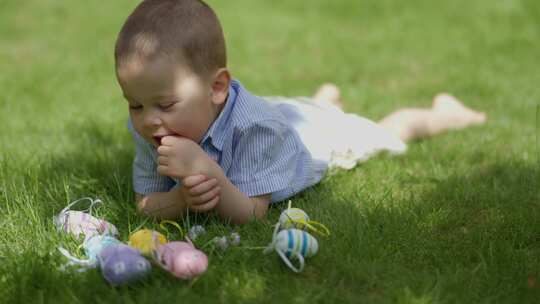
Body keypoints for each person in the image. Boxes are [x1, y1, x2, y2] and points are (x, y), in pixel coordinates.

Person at [114, 0, 486, 224]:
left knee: (387, 130)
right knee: (308, 111)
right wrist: (180, 200)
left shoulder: (256, 128)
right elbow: (145, 204)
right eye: (135, 104)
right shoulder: (155, 126)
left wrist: (207, 175)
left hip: (310, 141)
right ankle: (324, 100)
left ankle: (445, 113)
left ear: (216, 88)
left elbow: (253, 212)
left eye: (164, 105)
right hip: (286, 114)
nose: (148, 119)